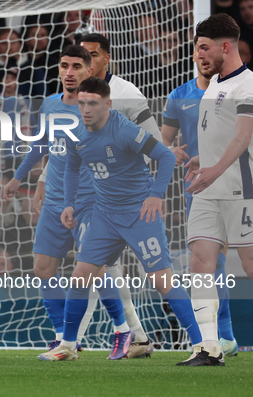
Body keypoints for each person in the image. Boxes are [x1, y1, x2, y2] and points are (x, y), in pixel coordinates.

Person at [48, 77, 202, 363]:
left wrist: (156, 195)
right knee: (81, 276)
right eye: (81, 103)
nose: (85, 109)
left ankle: (200, 345)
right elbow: (71, 167)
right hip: (104, 215)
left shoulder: (125, 130)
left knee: (161, 280)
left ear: (107, 103)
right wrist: (69, 203)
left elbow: (166, 158)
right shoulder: (77, 134)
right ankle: (68, 346)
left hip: (139, 215)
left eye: (92, 103)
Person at [2, 46, 135, 361]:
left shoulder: (98, 109)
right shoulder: (49, 104)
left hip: (89, 202)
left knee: (93, 271)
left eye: (77, 66)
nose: (70, 71)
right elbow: (42, 145)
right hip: (54, 202)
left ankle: (122, 330)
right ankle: (65, 339)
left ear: (90, 71)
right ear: (59, 70)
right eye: (64, 66)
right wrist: (19, 178)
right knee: (43, 268)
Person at [180, 13, 253, 366]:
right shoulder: (213, 85)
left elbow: (242, 137)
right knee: (199, 262)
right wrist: (200, 158)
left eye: (204, 49)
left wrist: (215, 170)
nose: (199, 56)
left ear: (226, 46)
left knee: (251, 265)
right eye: (197, 49)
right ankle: (209, 347)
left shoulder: (247, 85)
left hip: (242, 189)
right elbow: (220, 134)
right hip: (208, 188)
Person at [162, 46, 239, 358]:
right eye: (199, 49)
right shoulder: (179, 95)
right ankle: (222, 338)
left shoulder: (236, 90)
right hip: (199, 188)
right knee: (208, 262)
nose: (203, 56)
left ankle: (224, 336)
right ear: (193, 55)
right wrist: (169, 151)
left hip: (239, 183)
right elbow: (163, 140)